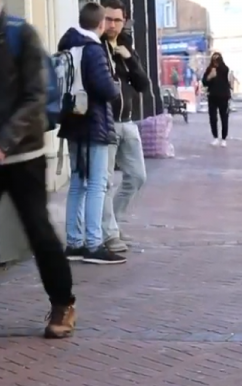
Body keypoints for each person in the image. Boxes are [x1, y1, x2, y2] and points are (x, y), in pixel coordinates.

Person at [0, 2, 78, 338]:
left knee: (38, 229)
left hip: (22, 153)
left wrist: (4, 142)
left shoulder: (20, 35)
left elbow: (34, 97)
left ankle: (63, 303)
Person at [58, 2, 124, 264]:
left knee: (77, 183)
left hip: (72, 122)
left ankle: (74, 242)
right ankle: (94, 244)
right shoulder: (93, 49)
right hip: (94, 123)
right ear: (99, 24)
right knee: (97, 183)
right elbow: (105, 88)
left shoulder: (67, 45)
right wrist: (116, 86)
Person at [100, 0, 150, 254]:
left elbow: (143, 84)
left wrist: (129, 59)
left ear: (124, 21)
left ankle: (114, 223)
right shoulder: (94, 47)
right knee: (106, 182)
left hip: (127, 122)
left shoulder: (126, 45)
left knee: (137, 176)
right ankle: (109, 233)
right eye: (108, 19)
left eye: (117, 20)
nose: (112, 25)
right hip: (104, 124)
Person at [202, 52, 232, 147]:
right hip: (212, 97)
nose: (215, 63)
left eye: (217, 61)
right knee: (213, 118)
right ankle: (215, 137)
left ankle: (223, 138)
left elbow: (229, 81)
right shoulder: (209, 69)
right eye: (214, 61)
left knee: (224, 118)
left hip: (223, 97)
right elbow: (204, 82)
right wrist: (210, 76)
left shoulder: (225, 69)